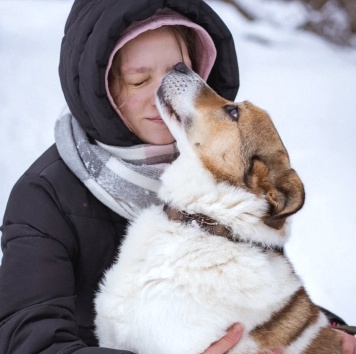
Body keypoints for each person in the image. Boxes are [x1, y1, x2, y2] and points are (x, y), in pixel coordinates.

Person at [0, 1, 354, 353]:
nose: (161, 94)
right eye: (139, 80)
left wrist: (328, 337)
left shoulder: (227, 181)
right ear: (103, 91)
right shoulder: (46, 196)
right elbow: (28, 339)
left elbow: (252, 305)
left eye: (178, 71)